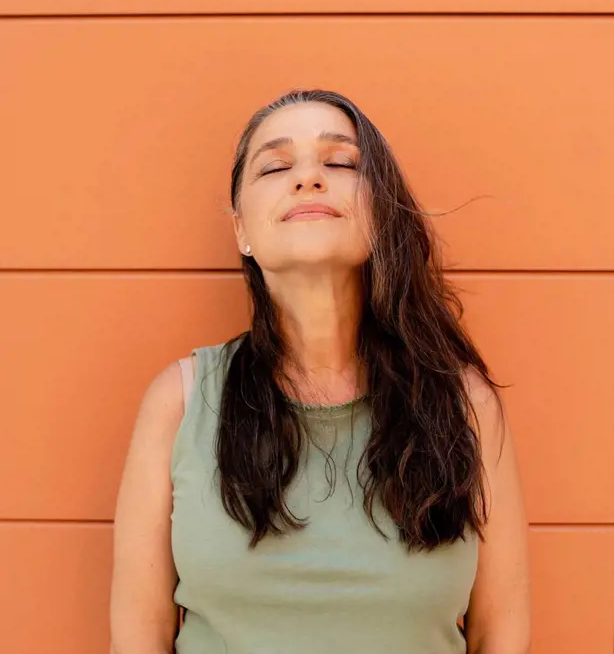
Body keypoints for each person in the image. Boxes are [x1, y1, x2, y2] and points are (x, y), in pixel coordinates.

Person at [110, 89, 530, 654]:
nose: (308, 178)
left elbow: (501, 633)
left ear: (381, 211)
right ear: (242, 231)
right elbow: (140, 636)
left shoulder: (465, 405)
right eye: (276, 166)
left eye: (340, 162)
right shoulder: (180, 402)